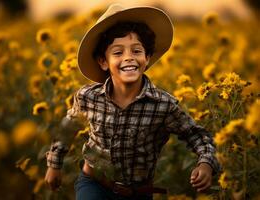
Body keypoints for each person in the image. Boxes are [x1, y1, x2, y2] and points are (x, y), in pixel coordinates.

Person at [44, 4, 220, 200]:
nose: (128, 58)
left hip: (138, 192)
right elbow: (67, 129)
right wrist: (54, 164)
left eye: (136, 51)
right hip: (93, 184)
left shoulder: (164, 105)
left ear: (147, 57)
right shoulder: (88, 97)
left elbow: (196, 135)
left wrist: (205, 163)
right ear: (103, 61)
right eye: (118, 53)